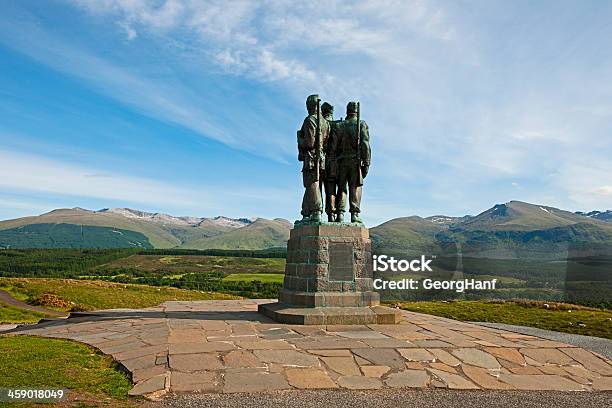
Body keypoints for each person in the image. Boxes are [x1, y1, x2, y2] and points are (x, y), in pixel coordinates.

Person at [335, 101, 370, 223]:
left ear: (347, 111)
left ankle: (340, 214)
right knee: (355, 187)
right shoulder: (361, 124)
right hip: (355, 161)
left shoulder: (339, 126)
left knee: (341, 188)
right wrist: (366, 162)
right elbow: (365, 144)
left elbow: (333, 147)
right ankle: (354, 214)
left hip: (341, 161)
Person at [297, 94, 329, 223]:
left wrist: (300, 139)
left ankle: (316, 211)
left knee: (313, 184)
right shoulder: (325, 122)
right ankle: (305, 213)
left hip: (311, 157)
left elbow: (309, 143)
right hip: (321, 158)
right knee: (311, 184)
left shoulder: (310, 120)